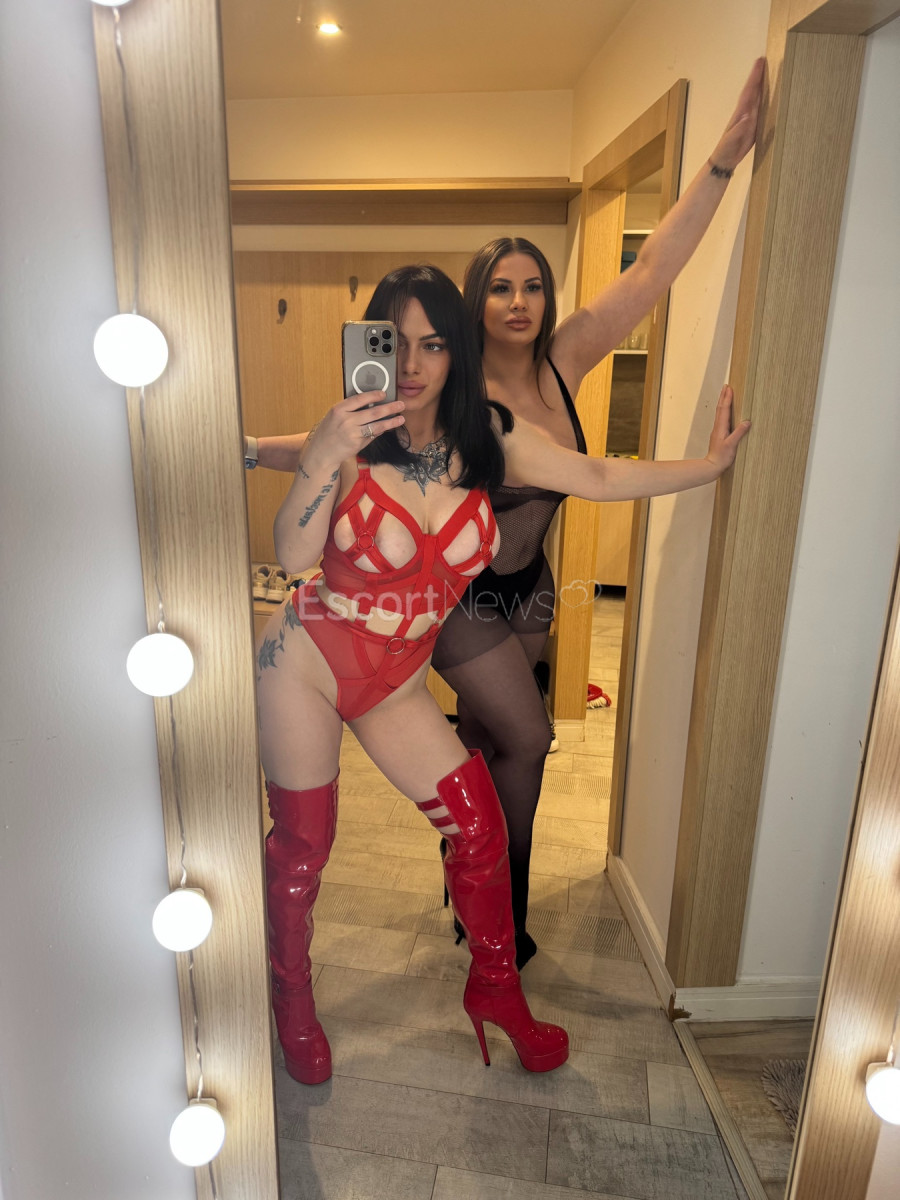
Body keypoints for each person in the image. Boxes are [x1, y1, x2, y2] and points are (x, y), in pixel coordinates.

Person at [251, 61, 764, 969]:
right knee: (529, 737)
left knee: (495, 736)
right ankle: (503, 907)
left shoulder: (565, 360)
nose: (520, 302)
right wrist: (254, 447)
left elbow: (651, 272)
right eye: (500, 288)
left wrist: (721, 164)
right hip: (460, 598)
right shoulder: (451, 393)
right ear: (472, 305)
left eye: (533, 286)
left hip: (531, 589)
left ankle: (475, 885)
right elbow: (336, 442)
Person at [256, 263, 749, 1086]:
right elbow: (293, 553)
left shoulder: (489, 436)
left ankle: (495, 991)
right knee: (306, 846)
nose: (413, 364)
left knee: (480, 830)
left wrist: (706, 468)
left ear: (458, 351)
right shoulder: (348, 436)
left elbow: (596, 477)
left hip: (395, 683)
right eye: (395, 342)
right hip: (306, 665)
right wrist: (321, 456)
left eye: (433, 344)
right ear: (371, 345)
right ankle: (290, 998)